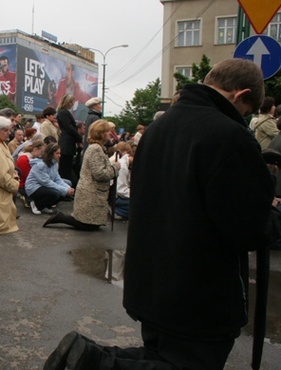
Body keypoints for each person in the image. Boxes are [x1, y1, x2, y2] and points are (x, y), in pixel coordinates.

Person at [44, 59, 273, 370]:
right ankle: (93, 362)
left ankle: (90, 357)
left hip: (152, 280)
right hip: (198, 289)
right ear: (240, 93)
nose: (243, 119)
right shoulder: (229, 134)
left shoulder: (159, 127)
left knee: (163, 357)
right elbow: (247, 228)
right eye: (245, 111)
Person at [43, 120, 119, 231]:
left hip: (92, 192)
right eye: (107, 131)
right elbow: (99, 174)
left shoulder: (97, 148)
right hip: (91, 193)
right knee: (88, 225)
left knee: (92, 224)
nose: (110, 134)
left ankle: (61, 218)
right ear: (101, 133)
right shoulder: (96, 149)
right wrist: (115, 168)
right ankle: (61, 218)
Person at [25, 143, 74, 215]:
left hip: (43, 185)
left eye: (60, 153)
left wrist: (68, 188)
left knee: (67, 185)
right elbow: (47, 182)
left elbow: (57, 179)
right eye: (57, 153)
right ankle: (36, 204)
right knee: (56, 193)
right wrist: (65, 190)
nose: (59, 155)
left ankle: (45, 205)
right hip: (33, 187)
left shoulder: (54, 163)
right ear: (51, 154)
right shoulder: (41, 165)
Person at [56, 94, 82, 186]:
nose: (72, 104)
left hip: (68, 143)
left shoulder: (64, 112)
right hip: (66, 145)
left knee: (66, 168)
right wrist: (80, 138)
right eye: (70, 102)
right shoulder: (63, 113)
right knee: (65, 170)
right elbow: (69, 128)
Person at [15, 139, 45, 208]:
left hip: (28, 183)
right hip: (24, 185)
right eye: (41, 151)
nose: (41, 154)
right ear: (35, 149)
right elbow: (27, 176)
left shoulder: (32, 158)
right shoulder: (24, 159)